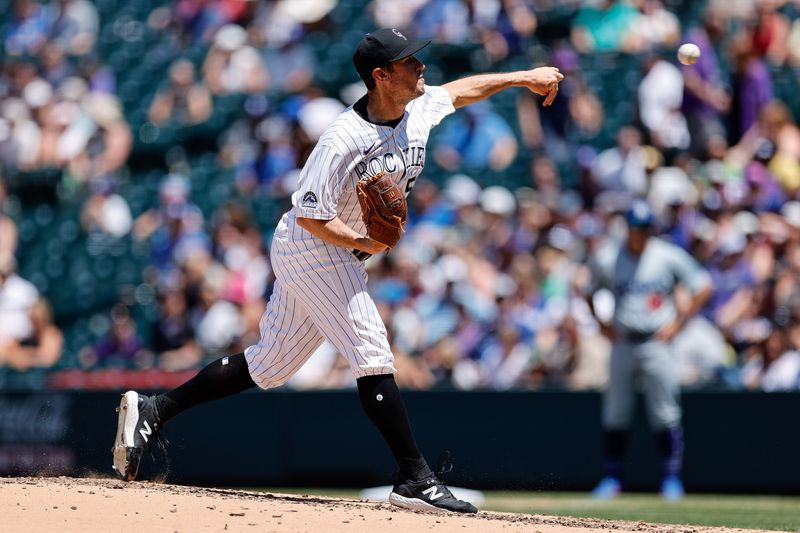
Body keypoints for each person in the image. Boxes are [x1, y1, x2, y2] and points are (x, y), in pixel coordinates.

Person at [112, 28, 563, 514]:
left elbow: (461, 91)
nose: (421, 68)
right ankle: (415, 477)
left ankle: (154, 411)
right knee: (371, 346)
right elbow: (310, 213)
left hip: (332, 250)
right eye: (410, 62)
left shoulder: (418, 107)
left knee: (268, 366)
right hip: (312, 246)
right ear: (381, 75)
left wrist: (523, 77)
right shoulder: (342, 138)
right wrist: (367, 241)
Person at [587, 199, 713, 501]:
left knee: (665, 412)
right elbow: (588, 290)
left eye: (645, 228)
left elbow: (703, 285)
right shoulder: (608, 257)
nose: (640, 233)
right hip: (624, 340)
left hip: (658, 341)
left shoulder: (666, 255)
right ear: (627, 228)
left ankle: (671, 479)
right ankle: (612, 477)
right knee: (616, 411)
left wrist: (680, 322)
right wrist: (600, 322)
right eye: (636, 228)